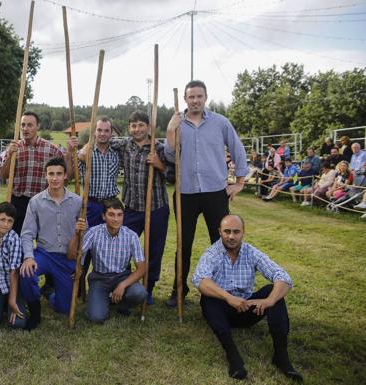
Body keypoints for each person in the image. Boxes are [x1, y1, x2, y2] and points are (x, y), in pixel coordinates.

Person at [164, 80, 248, 307]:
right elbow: (170, 157)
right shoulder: (177, 123)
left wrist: (239, 181)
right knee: (183, 244)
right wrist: (171, 131)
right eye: (191, 97)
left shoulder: (220, 122)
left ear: (205, 98)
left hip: (214, 192)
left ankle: (220, 291)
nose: (195, 100)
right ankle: (178, 291)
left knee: (221, 242)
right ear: (185, 99)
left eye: (199, 96)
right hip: (185, 193)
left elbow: (237, 147)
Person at [192, 215, 302, 381]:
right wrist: (228, 298)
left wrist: (269, 301)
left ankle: (281, 356)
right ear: (219, 232)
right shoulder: (212, 253)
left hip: (246, 309)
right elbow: (200, 280)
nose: (231, 236)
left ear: (243, 233)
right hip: (222, 311)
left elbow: (283, 276)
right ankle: (233, 357)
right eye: (227, 231)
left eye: (236, 232)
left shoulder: (251, 252)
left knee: (273, 290)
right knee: (208, 298)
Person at [108, 110, 169, 305]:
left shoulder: (159, 148)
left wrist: (160, 165)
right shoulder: (124, 145)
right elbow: (103, 140)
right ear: (129, 128)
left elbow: (175, 176)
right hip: (132, 208)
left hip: (157, 208)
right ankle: (123, 286)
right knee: (123, 248)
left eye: (141, 125)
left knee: (153, 250)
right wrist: (84, 148)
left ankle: (148, 288)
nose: (137, 129)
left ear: (148, 127)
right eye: (133, 125)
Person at [18, 157, 82, 329]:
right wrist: (29, 257)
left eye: (59, 174)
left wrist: (79, 263)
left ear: (65, 176)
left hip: (66, 258)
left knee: (64, 308)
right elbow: (26, 234)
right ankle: (35, 310)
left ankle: (50, 293)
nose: (55, 178)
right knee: (26, 272)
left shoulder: (77, 202)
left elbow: (84, 237)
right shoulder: (36, 202)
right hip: (44, 253)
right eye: (51, 174)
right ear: (45, 176)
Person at [68, 198, 147, 323]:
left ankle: (118, 303)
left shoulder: (131, 236)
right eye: (111, 215)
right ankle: (102, 301)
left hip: (122, 276)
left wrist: (122, 285)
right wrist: (76, 234)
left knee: (139, 293)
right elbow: (72, 256)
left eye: (119, 215)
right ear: (103, 216)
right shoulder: (94, 232)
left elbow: (142, 268)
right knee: (96, 317)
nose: (116, 219)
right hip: (100, 278)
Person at [0, 111, 65, 235]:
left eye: (30, 125)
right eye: (23, 125)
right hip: (18, 201)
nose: (25, 129)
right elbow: (3, 175)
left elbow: (64, 176)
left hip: (43, 201)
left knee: (44, 239)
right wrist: (10, 156)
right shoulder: (14, 148)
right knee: (16, 239)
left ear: (38, 126)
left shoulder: (51, 149)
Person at [0, 202, 27, 329]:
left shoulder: (14, 239)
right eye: (2, 219)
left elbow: (14, 272)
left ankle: (13, 302)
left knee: (17, 324)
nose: (6, 224)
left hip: (13, 283)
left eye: (10, 221)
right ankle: (1, 303)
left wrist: (13, 301)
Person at [71, 117, 120, 227]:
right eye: (99, 130)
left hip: (111, 204)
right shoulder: (85, 153)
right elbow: (72, 175)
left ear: (111, 132)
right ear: (94, 132)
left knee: (110, 240)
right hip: (91, 204)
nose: (102, 134)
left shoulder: (117, 152)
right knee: (89, 238)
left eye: (106, 131)